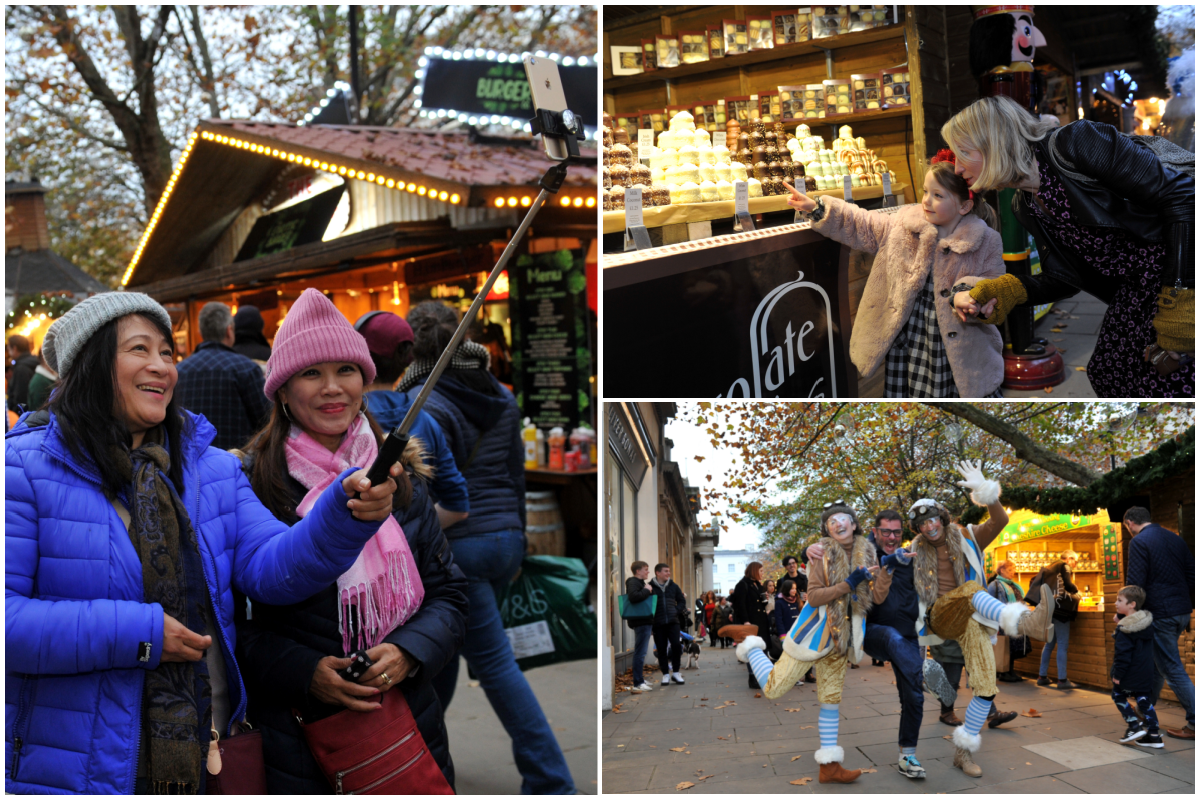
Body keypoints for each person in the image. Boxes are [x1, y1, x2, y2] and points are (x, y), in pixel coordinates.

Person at [5, 291, 402, 794]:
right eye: (140, 350)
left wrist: (343, 515)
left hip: (208, 751)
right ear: (91, 363)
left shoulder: (210, 469)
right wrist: (141, 635)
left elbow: (274, 569)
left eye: (168, 353)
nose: (162, 367)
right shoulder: (22, 470)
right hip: (74, 766)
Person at [230, 287, 469, 791]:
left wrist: (408, 650)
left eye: (346, 371)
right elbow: (231, 621)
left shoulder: (400, 474)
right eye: (311, 373)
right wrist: (304, 670)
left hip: (407, 726)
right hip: (294, 741)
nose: (331, 388)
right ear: (283, 390)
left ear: (365, 379)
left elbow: (448, 593)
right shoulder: (249, 483)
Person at [402, 300, 575, 793]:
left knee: (493, 663)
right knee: (447, 652)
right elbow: (515, 476)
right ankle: (420, 759)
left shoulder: (422, 401)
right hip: (504, 539)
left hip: (460, 545)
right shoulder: (500, 393)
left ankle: (551, 780)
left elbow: (426, 491)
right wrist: (518, 539)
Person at [943, 95, 1196, 398]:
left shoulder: (1076, 142)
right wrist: (1004, 291)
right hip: (1140, 286)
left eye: (963, 153)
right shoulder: (1024, 203)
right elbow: (1064, 278)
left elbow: (1183, 196)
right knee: (1108, 372)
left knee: (1165, 381)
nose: (957, 168)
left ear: (994, 144)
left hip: (1181, 265)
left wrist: (1181, 296)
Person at [784, 155, 1006, 398]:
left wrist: (969, 293)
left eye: (938, 195)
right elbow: (862, 224)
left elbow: (994, 282)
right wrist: (817, 208)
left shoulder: (985, 240)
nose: (926, 201)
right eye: (925, 192)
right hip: (910, 342)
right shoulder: (903, 224)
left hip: (958, 349)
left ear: (964, 206)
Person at [903, 462, 1057, 778]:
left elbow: (1001, 518)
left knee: (986, 689)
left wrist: (985, 490)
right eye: (922, 524)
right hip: (941, 616)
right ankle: (1026, 622)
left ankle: (963, 753)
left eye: (932, 519)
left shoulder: (968, 537)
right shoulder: (913, 552)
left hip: (974, 619)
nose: (929, 527)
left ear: (941, 518)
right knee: (972, 588)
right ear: (917, 529)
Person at [736, 501, 893, 784]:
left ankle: (829, 767)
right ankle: (752, 645)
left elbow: (877, 598)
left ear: (854, 524)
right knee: (773, 689)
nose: (837, 524)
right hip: (811, 636)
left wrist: (889, 570)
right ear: (827, 530)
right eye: (831, 522)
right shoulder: (822, 555)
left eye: (842, 519)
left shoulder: (868, 553)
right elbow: (816, 596)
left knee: (830, 701)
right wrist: (849, 582)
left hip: (841, 641)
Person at [354, 310, 470, 529]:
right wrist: (412, 533)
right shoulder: (426, 420)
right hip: (411, 562)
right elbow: (457, 506)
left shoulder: (340, 423)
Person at [1124, 506, 1195, 739]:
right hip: (1181, 611)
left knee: (1170, 667)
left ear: (1129, 523)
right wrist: (1188, 605)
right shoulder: (1175, 539)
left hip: (1160, 612)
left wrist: (1128, 612)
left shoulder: (1138, 542)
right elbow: (1191, 573)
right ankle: (1144, 711)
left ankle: (1195, 721)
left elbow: (1135, 583)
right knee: (1156, 664)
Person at [175, 301, 272, 451]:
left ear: (201, 332)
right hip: (237, 465)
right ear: (229, 330)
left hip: (188, 465)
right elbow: (267, 422)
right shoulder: (246, 369)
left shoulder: (179, 372)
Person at [1111, 585, 1164, 748]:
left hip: (1129, 672)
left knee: (1118, 695)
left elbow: (1123, 655)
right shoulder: (1146, 624)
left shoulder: (1125, 629)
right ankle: (1154, 736)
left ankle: (1133, 726)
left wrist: (1117, 675)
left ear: (1132, 604)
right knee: (1143, 699)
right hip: (1145, 671)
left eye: (1120, 600)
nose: (1115, 603)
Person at [1035, 550, 1081, 689]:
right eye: (1076, 562)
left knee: (1049, 644)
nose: (1075, 564)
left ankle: (1042, 676)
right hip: (1061, 610)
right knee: (1062, 645)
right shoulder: (1064, 566)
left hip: (1049, 609)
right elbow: (1068, 585)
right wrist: (1077, 591)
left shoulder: (1050, 567)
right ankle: (1062, 680)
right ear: (1070, 558)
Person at [731, 561, 778, 688]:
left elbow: (758, 604)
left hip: (761, 621)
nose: (763, 573)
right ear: (754, 571)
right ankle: (752, 678)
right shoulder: (742, 584)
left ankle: (762, 676)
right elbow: (740, 605)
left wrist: (765, 601)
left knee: (763, 648)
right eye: (761, 571)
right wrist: (746, 621)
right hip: (751, 622)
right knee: (752, 649)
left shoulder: (757, 584)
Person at [988, 559, 1027, 683]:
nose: (1013, 572)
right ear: (1002, 570)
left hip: (1015, 619)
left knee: (1013, 647)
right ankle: (1004, 671)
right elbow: (990, 602)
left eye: (1013, 570)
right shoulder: (995, 584)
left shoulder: (1013, 585)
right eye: (1010, 570)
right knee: (1005, 646)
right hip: (1003, 620)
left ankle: (1009, 671)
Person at [649, 563, 688, 686]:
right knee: (661, 649)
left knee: (676, 646)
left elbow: (682, 601)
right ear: (658, 573)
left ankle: (676, 673)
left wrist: (676, 610)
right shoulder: (650, 587)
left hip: (673, 622)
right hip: (658, 623)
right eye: (666, 571)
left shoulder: (674, 586)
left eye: (669, 571)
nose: (668, 573)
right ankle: (665, 674)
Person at [624, 561, 655, 693]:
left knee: (641, 652)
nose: (648, 572)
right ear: (638, 571)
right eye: (646, 569)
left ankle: (640, 679)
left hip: (643, 621)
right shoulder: (633, 582)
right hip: (641, 621)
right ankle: (638, 682)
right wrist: (647, 590)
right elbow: (633, 597)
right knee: (640, 653)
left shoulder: (639, 583)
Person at [6, 333, 39, 412]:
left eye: (8, 349)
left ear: (14, 348)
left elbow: (21, 397)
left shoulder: (21, 368)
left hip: (24, 418)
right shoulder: (33, 362)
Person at [774, 579, 801, 644]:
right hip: (787, 634)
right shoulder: (779, 603)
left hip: (799, 633)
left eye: (795, 588)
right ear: (787, 589)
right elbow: (779, 621)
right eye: (792, 588)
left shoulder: (798, 601)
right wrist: (783, 636)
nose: (795, 590)